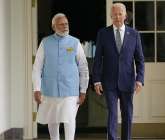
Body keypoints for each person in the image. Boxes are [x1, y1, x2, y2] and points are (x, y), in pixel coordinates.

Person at [32, 13, 89, 140]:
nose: (65, 26)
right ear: (54, 27)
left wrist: (83, 90)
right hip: (49, 89)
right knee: (52, 120)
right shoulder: (45, 43)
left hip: (70, 90)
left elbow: (83, 67)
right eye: (61, 24)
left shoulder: (75, 43)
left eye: (66, 24)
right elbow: (37, 67)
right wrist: (36, 88)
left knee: (69, 120)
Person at [92, 3, 145, 140]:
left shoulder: (134, 34)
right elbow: (97, 59)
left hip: (127, 81)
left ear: (125, 15)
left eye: (120, 14)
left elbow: (140, 60)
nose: (117, 17)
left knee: (127, 114)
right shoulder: (103, 33)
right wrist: (96, 80)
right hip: (109, 82)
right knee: (112, 114)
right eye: (114, 14)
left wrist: (140, 79)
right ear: (110, 16)